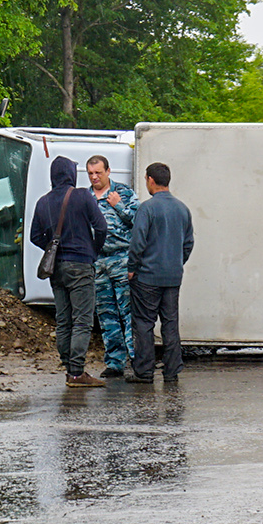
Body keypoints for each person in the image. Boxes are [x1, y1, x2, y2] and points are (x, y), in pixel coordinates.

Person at [29, 156, 107, 388]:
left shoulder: (43, 202)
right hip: (81, 265)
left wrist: (53, 248)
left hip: (57, 269)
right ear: (71, 174)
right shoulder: (82, 195)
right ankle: (76, 373)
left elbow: (34, 236)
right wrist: (92, 251)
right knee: (82, 320)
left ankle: (69, 369)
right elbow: (101, 227)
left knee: (63, 321)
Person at [128, 162, 194, 384]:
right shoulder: (182, 209)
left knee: (144, 323)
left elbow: (137, 242)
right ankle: (172, 370)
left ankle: (144, 372)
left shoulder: (147, 209)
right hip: (173, 276)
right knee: (170, 323)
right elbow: (188, 244)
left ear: (150, 180)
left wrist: (132, 267)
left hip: (147, 276)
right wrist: (176, 262)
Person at [84, 155, 136, 379]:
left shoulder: (123, 193)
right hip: (98, 262)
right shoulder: (84, 197)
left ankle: (137, 360)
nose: (95, 177)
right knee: (106, 314)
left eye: (99, 173)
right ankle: (115, 362)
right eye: (91, 174)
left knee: (129, 312)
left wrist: (119, 206)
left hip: (122, 259)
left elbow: (139, 221)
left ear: (108, 171)